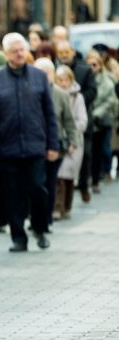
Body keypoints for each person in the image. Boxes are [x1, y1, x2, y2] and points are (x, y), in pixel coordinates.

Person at [0, 34, 60, 252]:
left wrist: (53, 145)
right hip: (8, 148)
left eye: (22, 50)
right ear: (7, 54)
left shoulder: (38, 77)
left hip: (36, 146)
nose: (19, 54)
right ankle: (19, 238)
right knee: (13, 194)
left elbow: (49, 114)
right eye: (14, 51)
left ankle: (40, 227)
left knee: (38, 189)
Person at [54, 66, 87, 219]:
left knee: (68, 175)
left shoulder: (77, 98)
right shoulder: (54, 94)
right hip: (59, 139)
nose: (62, 83)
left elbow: (83, 120)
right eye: (59, 80)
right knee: (59, 175)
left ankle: (67, 205)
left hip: (74, 140)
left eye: (65, 80)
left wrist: (71, 130)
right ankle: (58, 207)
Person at [85, 50, 118, 193]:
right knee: (88, 151)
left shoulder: (107, 80)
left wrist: (97, 114)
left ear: (99, 65)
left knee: (101, 149)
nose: (92, 68)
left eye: (95, 64)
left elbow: (111, 100)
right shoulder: (83, 79)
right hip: (85, 119)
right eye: (89, 65)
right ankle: (88, 177)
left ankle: (99, 177)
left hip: (101, 121)